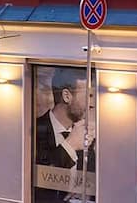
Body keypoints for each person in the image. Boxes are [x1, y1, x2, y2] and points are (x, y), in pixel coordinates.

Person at [34, 67, 95, 201]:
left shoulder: (86, 136)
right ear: (67, 96)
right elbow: (35, 182)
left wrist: (87, 193)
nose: (91, 104)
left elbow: (93, 180)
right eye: (88, 96)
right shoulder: (33, 132)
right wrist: (70, 145)